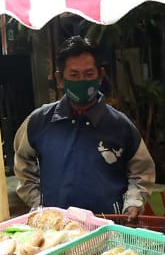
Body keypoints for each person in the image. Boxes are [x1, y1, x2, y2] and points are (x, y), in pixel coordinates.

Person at [14, 36, 155, 220]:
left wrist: (134, 203)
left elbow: (141, 171)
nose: (82, 81)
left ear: (100, 76)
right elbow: (23, 162)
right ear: (60, 79)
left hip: (108, 226)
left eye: (89, 74)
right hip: (58, 228)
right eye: (74, 75)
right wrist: (38, 202)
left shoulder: (120, 125)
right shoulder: (39, 122)